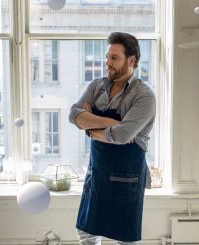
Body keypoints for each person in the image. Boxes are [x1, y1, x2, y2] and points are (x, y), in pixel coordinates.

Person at [69, 32, 156, 245]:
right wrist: (113, 123)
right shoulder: (96, 86)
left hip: (127, 179)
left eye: (114, 58)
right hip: (97, 174)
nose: (107, 63)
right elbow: (73, 115)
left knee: (124, 239)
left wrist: (89, 126)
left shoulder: (144, 95)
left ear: (132, 61)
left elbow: (122, 135)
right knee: (85, 232)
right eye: (107, 57)